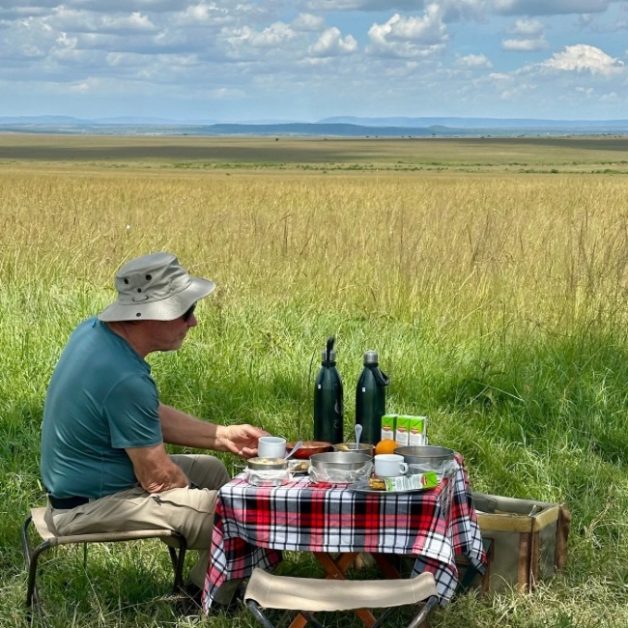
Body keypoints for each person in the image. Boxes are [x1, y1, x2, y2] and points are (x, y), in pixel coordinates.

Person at [40, 252, 265, 603]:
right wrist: (196, 500)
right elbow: (157, 479)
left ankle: (210, 583)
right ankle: (201, 602)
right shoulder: (125, 376)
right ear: (152, 313)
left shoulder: (96, 334)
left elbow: (140, 413)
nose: (194, 322)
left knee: (215, 470)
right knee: (246, 515)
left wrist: (222, 435)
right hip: (88, 505)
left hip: (83, 484)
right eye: (186, 311)